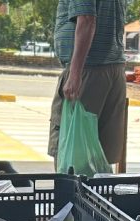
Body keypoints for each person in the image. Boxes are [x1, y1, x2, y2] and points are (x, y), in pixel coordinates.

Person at [48, 0, 126, 168]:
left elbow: (86, 19)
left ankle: (73, 187)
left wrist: (75, 73)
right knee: (100, 158)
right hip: (113, 66)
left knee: (72, 154)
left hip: (88, 70)